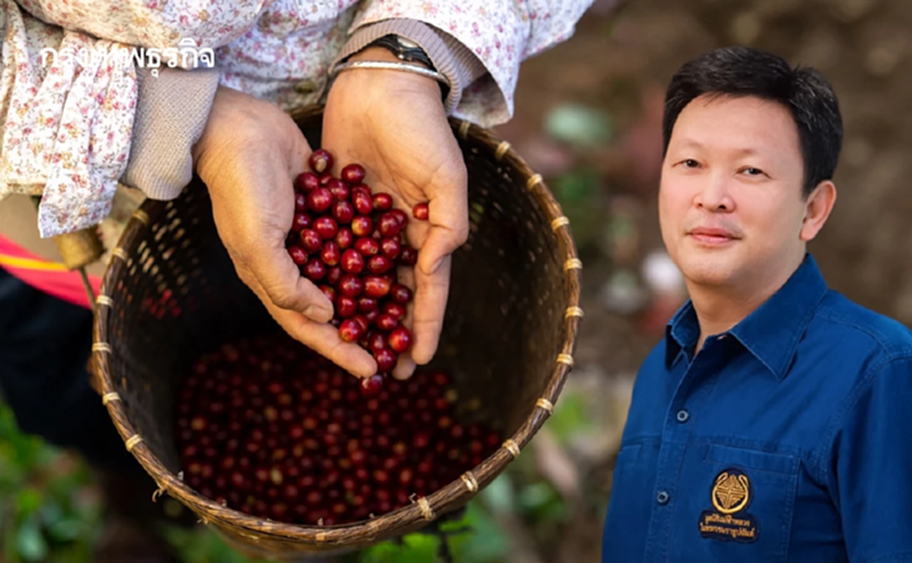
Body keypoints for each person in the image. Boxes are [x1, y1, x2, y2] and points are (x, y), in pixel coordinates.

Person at [0, 1, 591, 559]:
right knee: (91, 400)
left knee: (303, 334)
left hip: (360, 126)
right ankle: (134, 508)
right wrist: (179, 116)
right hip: (76, 220)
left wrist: (406, 51)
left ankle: (308, 542)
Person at [602, 46, 912, 562]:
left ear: (814, 209)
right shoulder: (659, 375)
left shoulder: (878, 373)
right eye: (689, 163)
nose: (712, 196)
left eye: (750, 172)